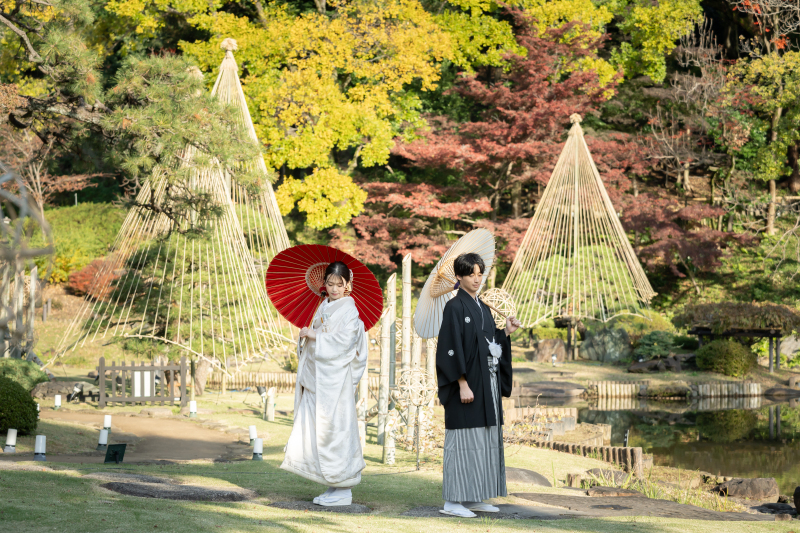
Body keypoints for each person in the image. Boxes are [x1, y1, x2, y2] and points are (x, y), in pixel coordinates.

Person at [435, 252, 521, 517]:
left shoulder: (482, 307)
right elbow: (449, 347)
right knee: (463, 442)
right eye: (470, 274)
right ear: (458, 277)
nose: (476, 279)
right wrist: (461, 383)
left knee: (483, 440)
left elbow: (489, 341)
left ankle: (473, 497)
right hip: (467, 384)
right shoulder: (454, 307)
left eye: (479, 274)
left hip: (487, 384)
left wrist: (505, 332)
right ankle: (453, 502)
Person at [280, 261, 369, 506]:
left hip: (335, 382)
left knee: (336, 431)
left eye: (339, 284)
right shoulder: (324, 305)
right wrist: (307, 335)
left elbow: (345, 342)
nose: (334, 289)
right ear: (324, 283)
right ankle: (332, 485)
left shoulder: (349, 310)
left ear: (347, 284)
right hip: (318, 379)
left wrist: (316, 335)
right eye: (330, 284)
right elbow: (319, 335)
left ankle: (344, 488)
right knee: (317, 432)